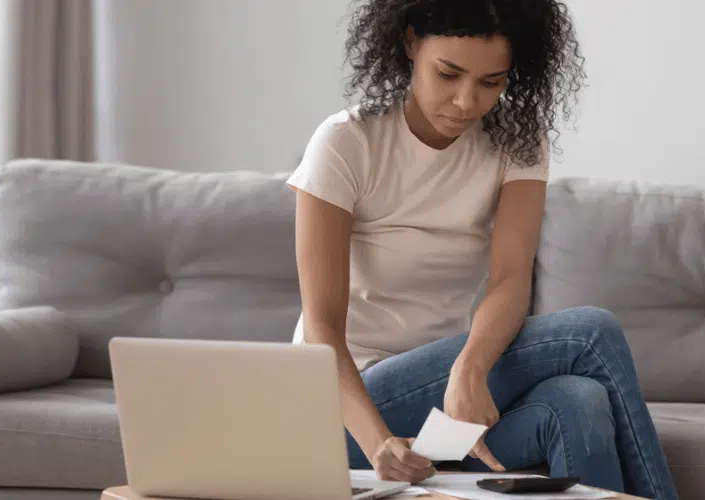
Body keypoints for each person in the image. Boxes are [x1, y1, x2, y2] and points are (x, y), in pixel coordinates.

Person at [286, 0, 679, 498]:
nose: (466, 102)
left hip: (447, 401)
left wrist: (470, 368)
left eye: (491, 83)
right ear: (410, 43)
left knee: (578, 401)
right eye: (447, 74)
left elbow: (511, 278)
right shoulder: (347, 142)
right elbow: (321, 327)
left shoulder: (517, 140)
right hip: (342, 409)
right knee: (590, 333)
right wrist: (380, 444)